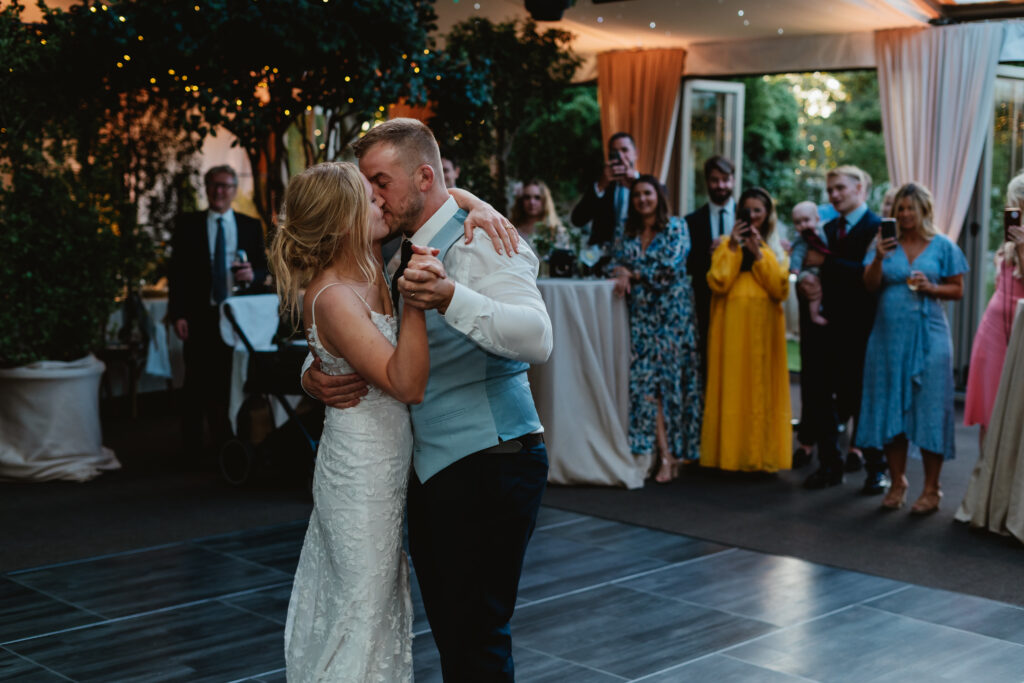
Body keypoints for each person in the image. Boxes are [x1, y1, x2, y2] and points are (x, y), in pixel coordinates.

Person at [302, 118, 552, 681]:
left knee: (477, 641)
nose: (372, 198)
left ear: (422, 177)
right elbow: (362, 329)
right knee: (457, 639)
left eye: (380, 183)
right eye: (366, 187)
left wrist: (450, 297)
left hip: (490, 461)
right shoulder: (394, 250)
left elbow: (538, 338)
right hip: (434, 471)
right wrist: (313, 372)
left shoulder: (482, 236)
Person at [271, 162, 430, 681]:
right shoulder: (336, 294)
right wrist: (414, 301)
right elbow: (405, 384)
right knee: (359, 608)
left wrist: (310, 371)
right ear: (343, 221)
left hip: (386, 465)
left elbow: (446, 198)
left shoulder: (373, 266)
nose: (382, 203)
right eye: (370, 197)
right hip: (359, 472)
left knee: (380, 602)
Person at [857, 183, 967, 514]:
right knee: (892, 406)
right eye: (900, 209)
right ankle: (898, 480)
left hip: (930, 335)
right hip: (889, 337)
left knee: (931, 407)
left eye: (910, 208)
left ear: (924, 211)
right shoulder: (884, 245)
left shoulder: (943, 246)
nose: (904, 214)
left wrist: (931, 286)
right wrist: (877, 257)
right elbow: (869, 285)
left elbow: (958, 290)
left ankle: (932, 488)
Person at [168, 164, 268, 458]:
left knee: (231, 379)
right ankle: (192, 450)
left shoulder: (249, 225)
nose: (219, 191)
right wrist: (178, 314)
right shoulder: (188, 225)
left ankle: (229, 445)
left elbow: (262, 268)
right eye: (214, 185)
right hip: (200, 314)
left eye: (225, 186)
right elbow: (177, 273)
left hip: (236, 317)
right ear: (207, 188)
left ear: (234, 190)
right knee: (195, 383)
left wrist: (253, 274)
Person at [799, 165, 888, 493]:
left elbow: (873, 277)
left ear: (860, 188)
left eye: (840, 188)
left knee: (861, 398)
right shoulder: (826, 227)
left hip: (862, 326)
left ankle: (876, 468)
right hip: (826, 324)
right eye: (830, 190)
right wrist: (808, 279)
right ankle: (829, 464)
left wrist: (828, 265)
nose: (834, 195)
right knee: (821, 397)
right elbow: (809, 264)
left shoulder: (877, 227)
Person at [610, 175, 702, 483]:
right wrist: (623, 270)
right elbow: (615, 262)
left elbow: (668, 269)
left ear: (658, 196)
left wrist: (630, 272)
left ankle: (672, 455)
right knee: (647, 388)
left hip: (673, 318)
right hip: (641, 319)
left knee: (670, 387)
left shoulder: (676, 226)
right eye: (637, 195)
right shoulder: (628, 231)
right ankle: (659, 455)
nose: (642, 199)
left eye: (647, 193)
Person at [700, 187, 792, 473]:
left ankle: (760, 456)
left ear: (767, 216)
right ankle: (728, 456)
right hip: (730, 327)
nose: (752, 216)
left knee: (761, 387)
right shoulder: (726, 245)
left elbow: (780, 288)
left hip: (764, 328)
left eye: (758, 211)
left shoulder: (775, 247)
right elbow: (717, 281)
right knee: (731, 385)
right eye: (747, 210)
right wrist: (733, 248)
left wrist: (758, 253)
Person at [964, 174, 1024, 450]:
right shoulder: (1010, 240)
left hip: (1020, 331)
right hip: (995, 332)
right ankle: (985, 479)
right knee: (991, 411)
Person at [685, 155, 736, 380]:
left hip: (739, 298)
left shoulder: (748, 216)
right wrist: (710, 254)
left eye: (725, 180)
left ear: (733, 180)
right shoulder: (692, 221)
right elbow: (687, 266)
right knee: (707, 361)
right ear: (707, 182)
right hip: (705, 301)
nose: (721, 186)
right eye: (715, 180)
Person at [570, 131, 639, 270]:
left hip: (635, 263)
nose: (620, 156)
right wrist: (601, 186)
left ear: (635, 153)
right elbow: (578, 219)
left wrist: (635, 184)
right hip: (601, 262)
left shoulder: (646, 186)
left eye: (624, 150)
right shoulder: (602, 185)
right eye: (614, 152)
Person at [789, 201, 829, 326]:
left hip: (820, 271)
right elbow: (797, 255)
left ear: (817, 219)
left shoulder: (822, 232)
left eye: (806, 220)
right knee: (814, 292)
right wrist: (795, 269)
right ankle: (814, 315)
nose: (803, 225)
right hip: (807, 271)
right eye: (798, 222)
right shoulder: (801, 239)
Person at [510, 179, 570, 250]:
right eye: (527, 197)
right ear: (521, 201)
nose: (532, 202)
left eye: (537, 197)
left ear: (544, 201)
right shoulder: (512, 228)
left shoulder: (555, 231)